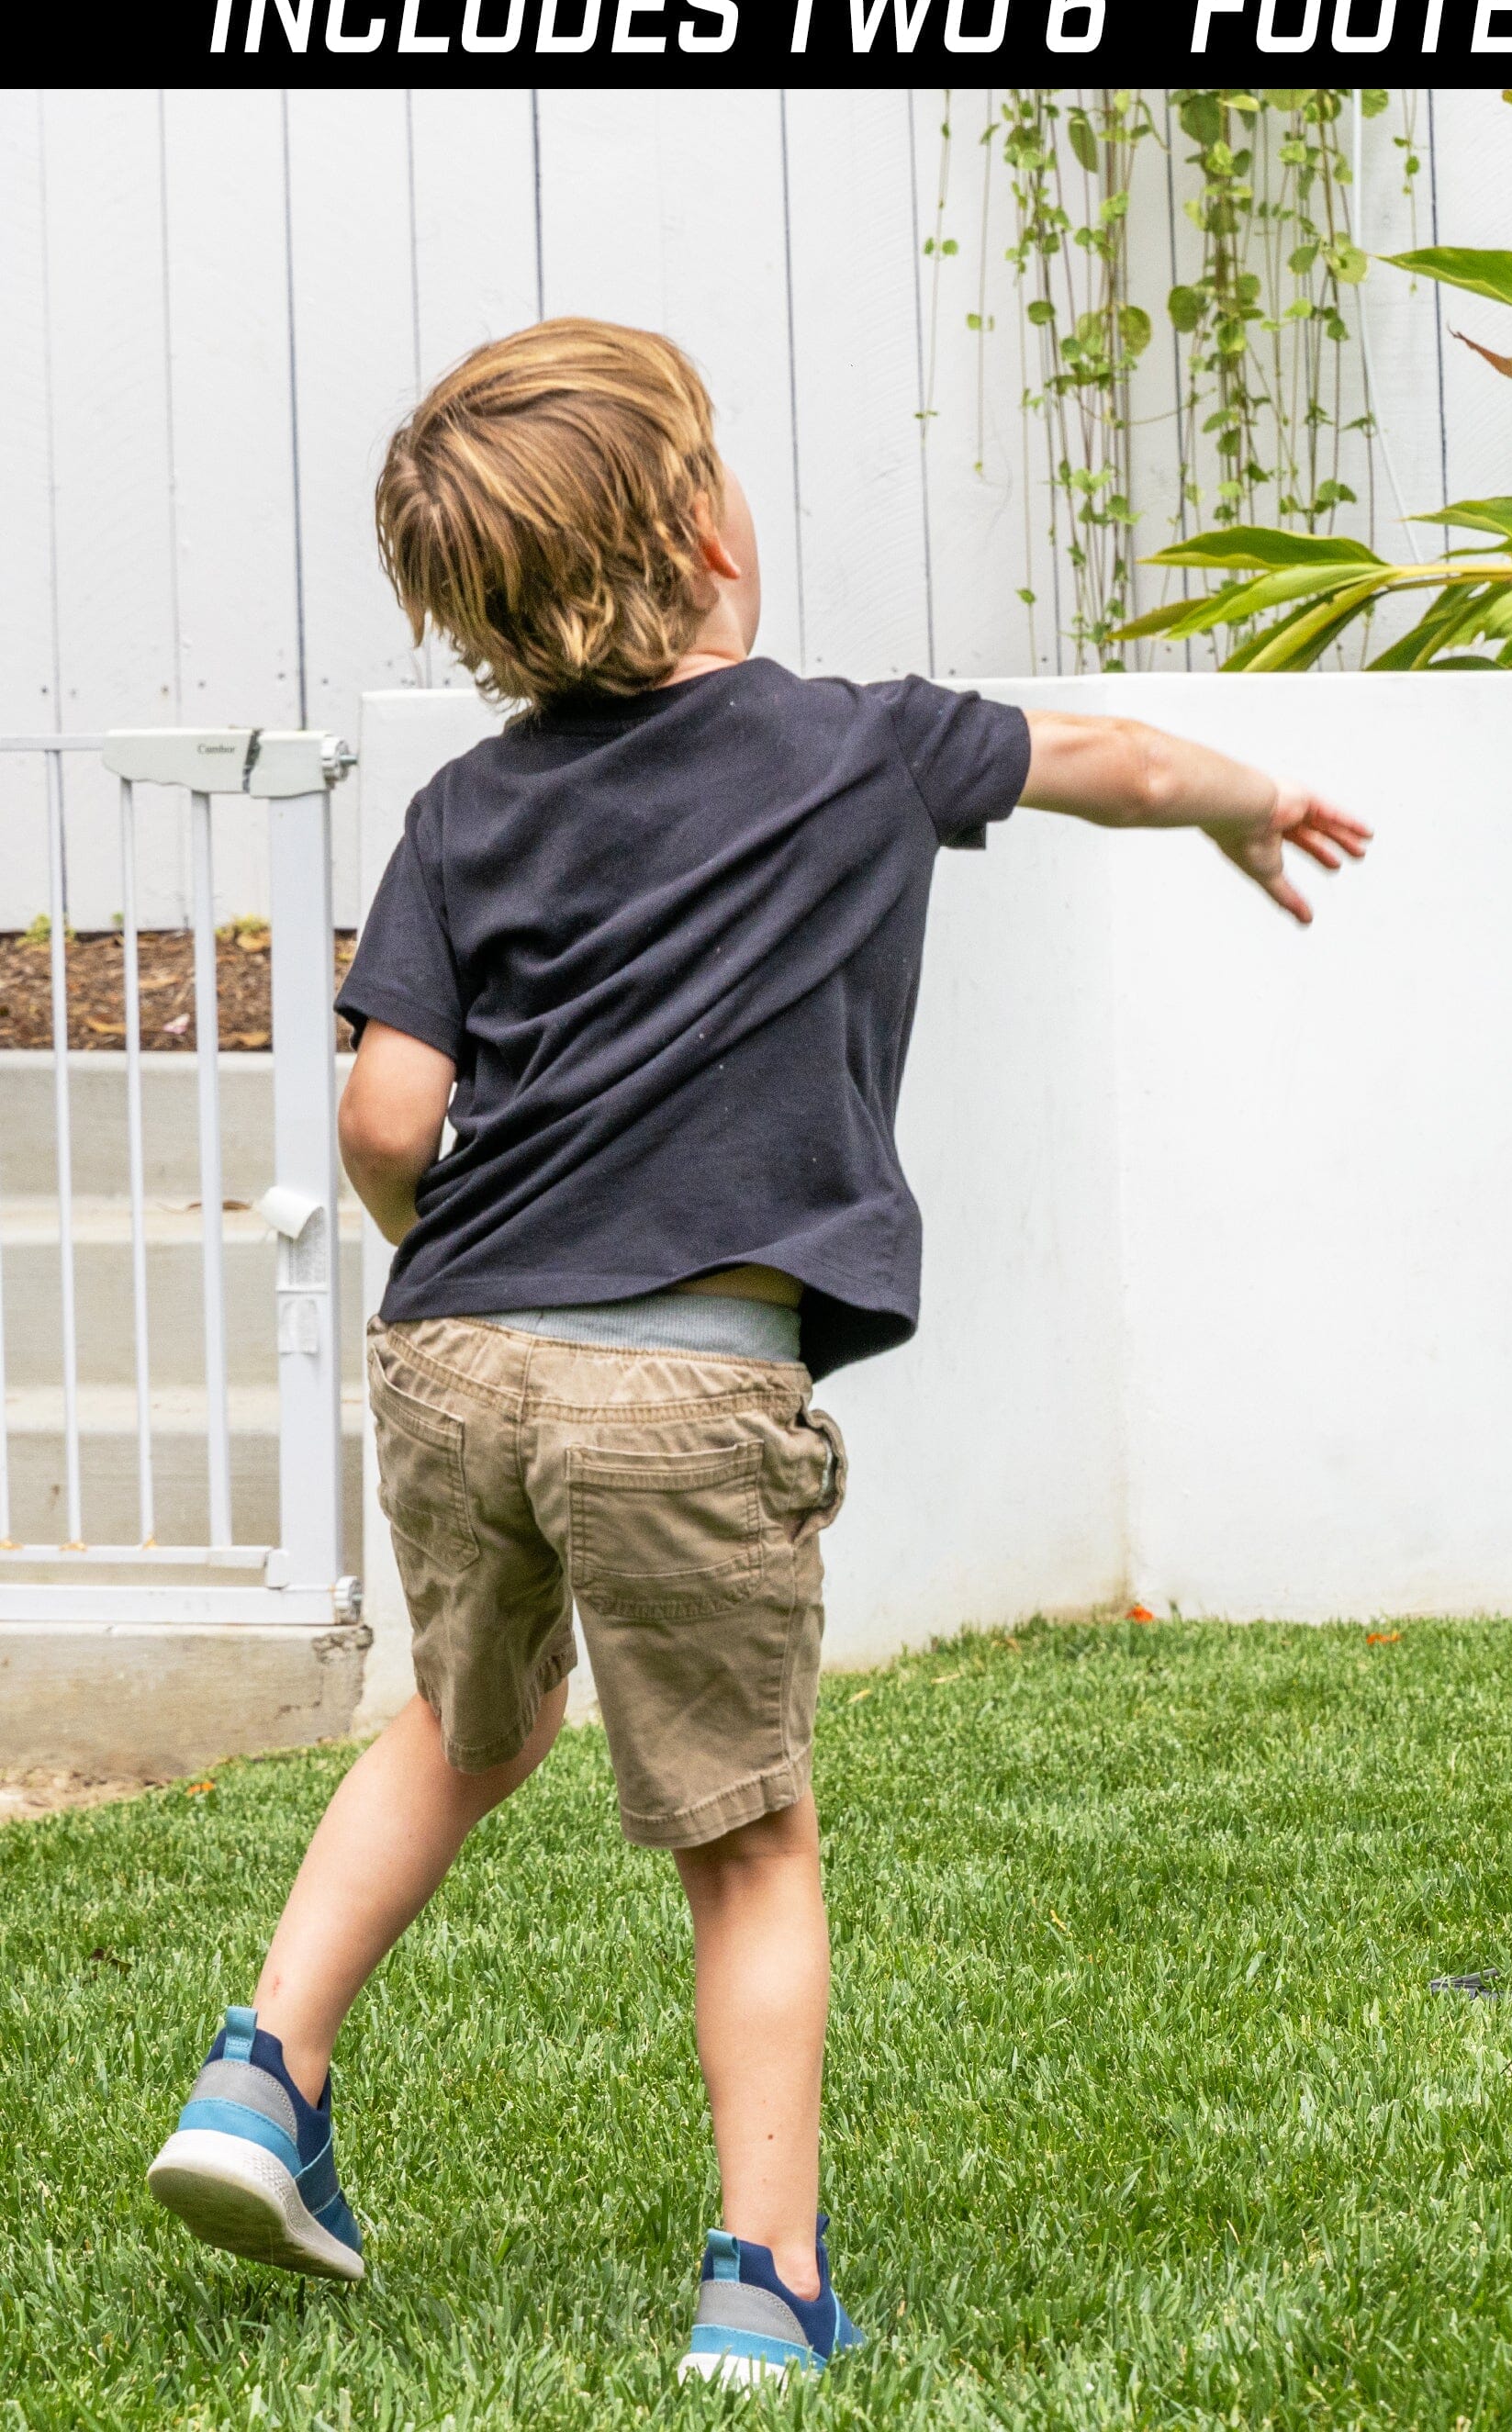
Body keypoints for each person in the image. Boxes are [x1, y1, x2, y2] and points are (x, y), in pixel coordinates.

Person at [141, 318, 1370, 2385]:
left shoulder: (458, 812)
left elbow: (380, 1118)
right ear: (705, 529)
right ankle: (764, 2279)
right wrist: (1250, 806)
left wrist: (471, 1268)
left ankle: (262, 2078)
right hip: (685, 1387)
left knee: (465, 1720)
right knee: (747, 1835)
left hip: (452, 1356)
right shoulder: (857, 744)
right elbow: (1125, 765)